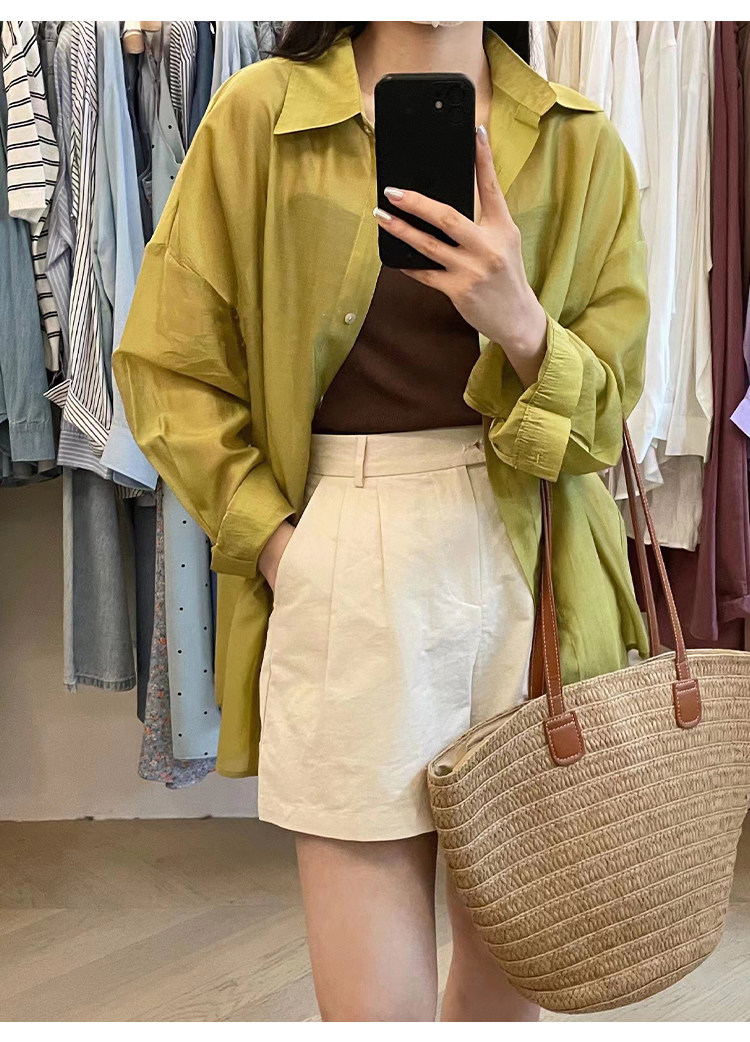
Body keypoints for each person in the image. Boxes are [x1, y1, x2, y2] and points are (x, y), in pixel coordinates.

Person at [114, 20, 650, 1023]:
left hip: (535, 560)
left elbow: (606, 420)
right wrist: (281, 546)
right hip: (344, 546)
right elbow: (168, 363)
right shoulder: (260, 118)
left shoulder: (578, 139)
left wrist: (522, 324)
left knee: (508, 995)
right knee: (374, 1012)